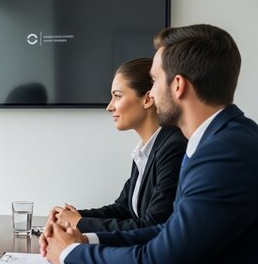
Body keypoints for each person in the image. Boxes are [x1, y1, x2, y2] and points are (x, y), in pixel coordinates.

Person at [41, 24, 258, 264]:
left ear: (178, 85)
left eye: (155, 80)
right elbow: (168, 231)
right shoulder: (219, 139)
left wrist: (69, 254)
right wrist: (86, 240)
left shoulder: (225, 153)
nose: (152, 93)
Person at [50, 58, 186, 232]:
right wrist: (71, 216)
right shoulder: (146, 149)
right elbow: (123, 209)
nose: (109, 106)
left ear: (147, 99)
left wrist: (79, 223)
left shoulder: (173, 148)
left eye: (117, 96)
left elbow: (151, 225)